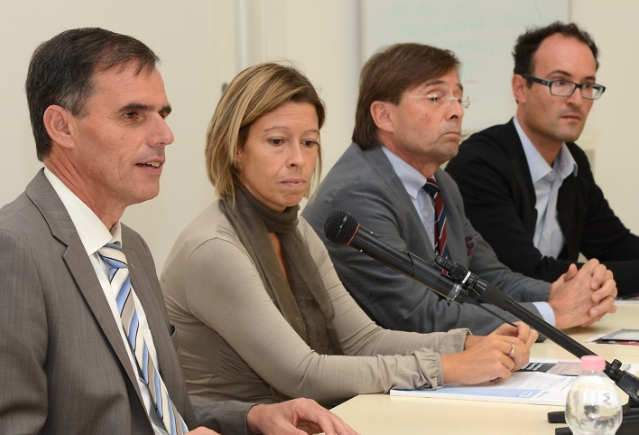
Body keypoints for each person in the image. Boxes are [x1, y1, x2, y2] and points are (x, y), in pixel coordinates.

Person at [0, 28, 364, 435]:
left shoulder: (130, 247)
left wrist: (253, 418)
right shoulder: (4, 253)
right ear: (61, 126)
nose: (164, 135)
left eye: (163, 114)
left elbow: (154, 412)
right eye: (133, 115)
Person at [161, 62, 537, 408]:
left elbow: (362, 340)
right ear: (235, 149)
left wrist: (468, 343)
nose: (298, 159)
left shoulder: (295, 231)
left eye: (309, 142)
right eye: (277, 141)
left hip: (303, 431)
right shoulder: (214, 248)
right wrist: (448, 367)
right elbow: (304, 374)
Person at [302, 43, 617, 337]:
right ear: (384, 115)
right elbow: (416, 317)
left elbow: (488, 277)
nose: (457, 111)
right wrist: (552, 314)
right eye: (435, 98)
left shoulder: (440, 184)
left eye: (458, 98)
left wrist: (563, 293)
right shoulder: (358, 193)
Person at [445, 22, 639, 297]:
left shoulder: (572, 160)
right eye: (561, 83)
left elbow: (612, 243)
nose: (577, 99)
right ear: (521, 88)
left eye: (586, 85)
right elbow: (522, 272)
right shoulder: (479, 163)